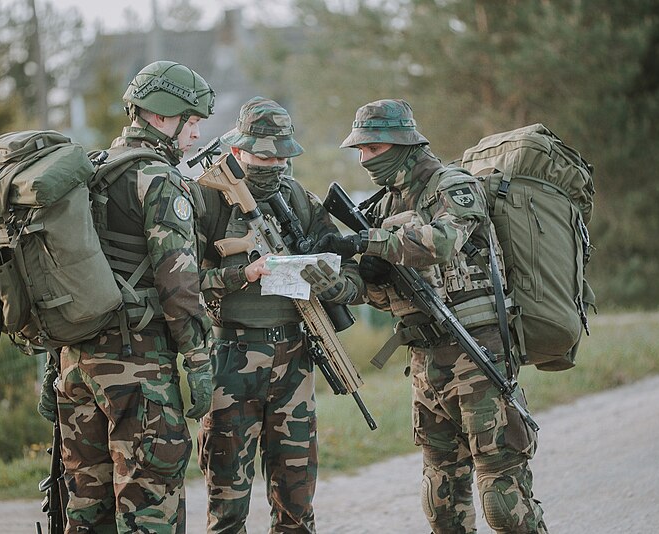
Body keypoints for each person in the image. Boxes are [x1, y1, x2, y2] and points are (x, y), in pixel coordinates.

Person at [316, 99, 548, 533]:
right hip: (425, 361)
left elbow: (441, 243)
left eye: (372, 148)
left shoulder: (452, 186)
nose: (364, 159)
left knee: (503, 498)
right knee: (442, 502)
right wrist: (337, 282)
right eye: (360, 151)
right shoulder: (387, 205)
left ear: (401, 144)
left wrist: (368, 240)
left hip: (477, 352)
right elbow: (378, 290)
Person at [54, 60, 215, 534]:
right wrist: (199, 362)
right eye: (193, 119)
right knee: (149, 506)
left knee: (86, 509)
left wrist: (54, 368)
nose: (197, 130)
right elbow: (178, 284)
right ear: (164, 117)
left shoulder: (88, 171)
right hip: (137, 368)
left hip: (75, 362)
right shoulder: (159, 179)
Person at [194, 96, 364, 533]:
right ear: (237, 151)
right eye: (264, 155)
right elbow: (182, 283)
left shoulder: (297, 199)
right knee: (227, 502)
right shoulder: (207, 200)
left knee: (297, 498)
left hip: (292, 354)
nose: (275, 164)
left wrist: (330, 279)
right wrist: (244, 273)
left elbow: (340, 259)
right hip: (233, 358)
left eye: (283, 156)